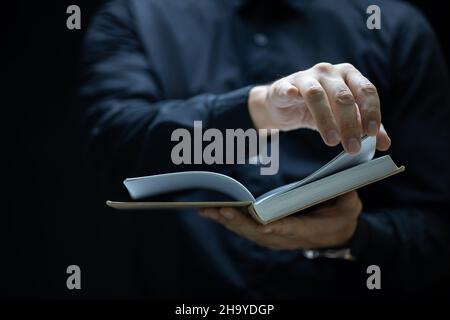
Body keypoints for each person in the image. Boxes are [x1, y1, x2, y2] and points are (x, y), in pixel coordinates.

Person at [81, 0, 450, 298]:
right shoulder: (137, 14)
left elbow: (436, 228)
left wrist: (353, 236)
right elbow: (113, 152)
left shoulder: (393, 26)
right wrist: (257, 108)